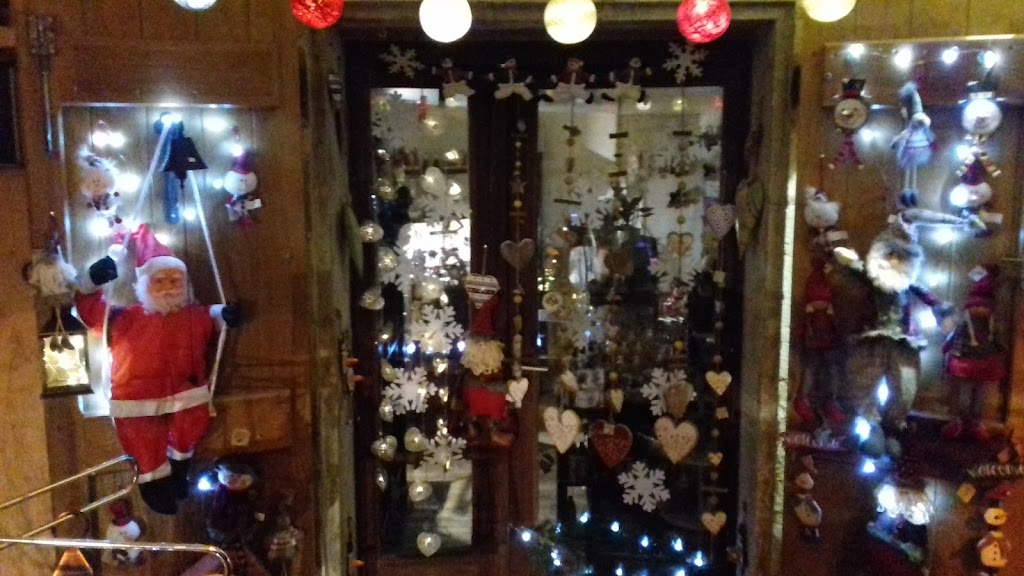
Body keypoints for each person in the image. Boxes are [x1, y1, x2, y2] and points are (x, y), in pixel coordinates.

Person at [75, 224, 239, 514]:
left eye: (175, 281)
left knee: (191, 424)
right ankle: (153, 483)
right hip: (136, 396)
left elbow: (210, 316)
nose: (168, 287)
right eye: (159, 281)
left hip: (186, 393)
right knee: (142, 438)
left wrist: (224, 314)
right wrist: (91, 281)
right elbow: (90, 312)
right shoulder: (124, 319)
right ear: (144, 284)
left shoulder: (193, 317)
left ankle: (180, 468)